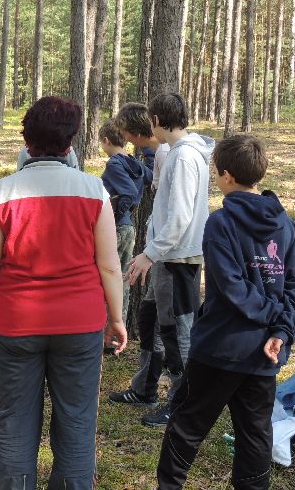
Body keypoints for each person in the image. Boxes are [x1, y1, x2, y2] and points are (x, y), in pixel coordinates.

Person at [0, 96, 128, 489]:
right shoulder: (94, 191)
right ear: (70, 143)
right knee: (77, 423)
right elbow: (110, 265)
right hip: (80, 325)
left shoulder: (1, 192)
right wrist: (118, 318)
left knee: (16, 422)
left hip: (16, 323)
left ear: (27, 143)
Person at [156, 134, 295, 490]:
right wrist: (281, 328)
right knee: (254, 434)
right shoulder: (286, 226)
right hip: (264, 350)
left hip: (221, 348)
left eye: (215, 173)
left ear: (226, 175)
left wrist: (280, 328)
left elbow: (232, 289)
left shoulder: (222, 223)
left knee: (187, 425)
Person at [115, 93, 215, 427]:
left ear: (157, 120)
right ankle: (145, 388)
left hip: (177, 257)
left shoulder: (184, 157)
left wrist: (150, 254)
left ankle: (181, 404)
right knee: (149, 319)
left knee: (176, 332)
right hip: (166, 256)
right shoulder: (176, 154)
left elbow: (181, 216)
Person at [98, 119, 152, 321]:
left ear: (106, 140)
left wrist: (115, 213)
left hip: (117, 227)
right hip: (128, 229)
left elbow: (128, 193)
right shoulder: (135, 164)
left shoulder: (114, 164)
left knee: (106, 276)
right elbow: (150, 174)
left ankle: (107, 328)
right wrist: (149, 150)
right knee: (122, 277)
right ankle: (117, 328)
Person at [114, 102, 170, 189]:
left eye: (124, 134)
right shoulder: (160, 150)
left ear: (137, 133)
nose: (125, 139)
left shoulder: (164, 153)